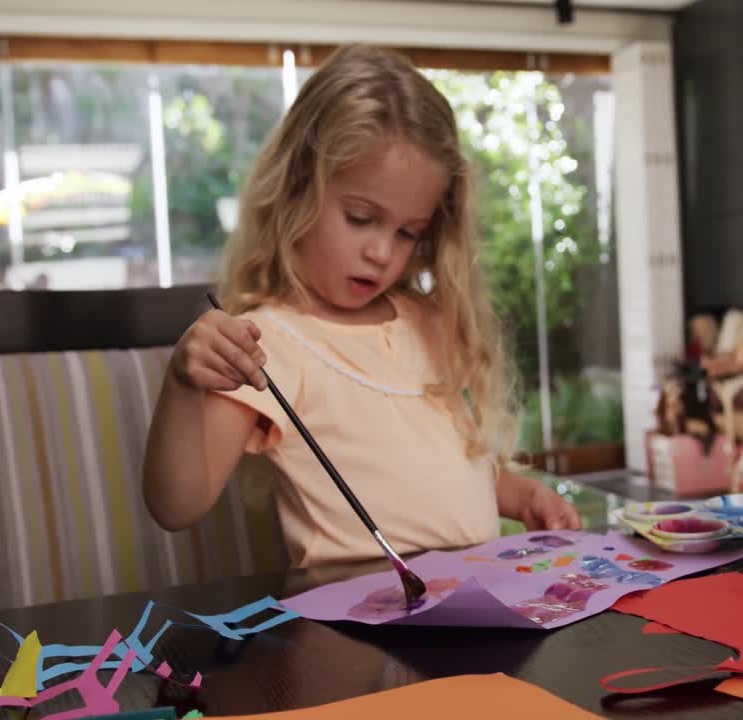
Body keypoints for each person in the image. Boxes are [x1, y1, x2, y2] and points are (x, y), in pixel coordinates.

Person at [143, 44, 580, 568]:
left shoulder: (427, 320)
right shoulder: (266, 343)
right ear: (296, 189)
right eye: (360, 218)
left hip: (474, 598)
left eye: (407, 232)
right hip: (357, 611)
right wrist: (181, 385)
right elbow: (177, 505)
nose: (381, 252)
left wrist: (519, 494)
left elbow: (441, 469)